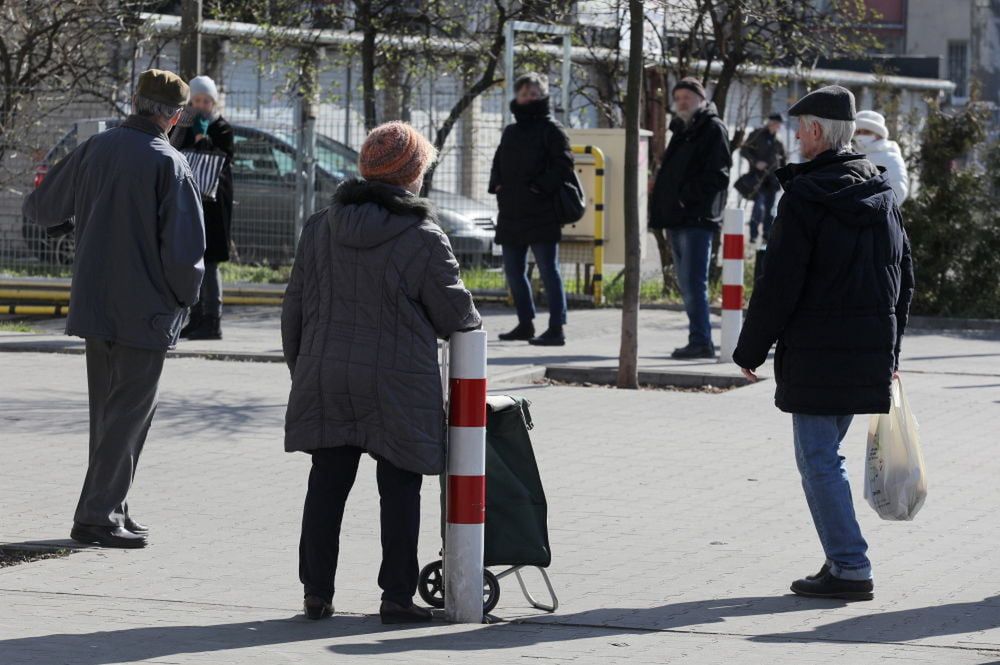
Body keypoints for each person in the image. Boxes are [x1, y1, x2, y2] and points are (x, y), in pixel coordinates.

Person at [282, 121, 481, 623]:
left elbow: (294, 310)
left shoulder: (319, 226)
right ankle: (396, 596)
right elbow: (458, 317)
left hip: (326, 373)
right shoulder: (423, 236)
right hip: (398, 382)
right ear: (410, 175)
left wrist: (304, 369)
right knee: (400, 486)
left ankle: (316, 593)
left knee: (327, 482)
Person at [733, 85, 915, 601]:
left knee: (818, 459)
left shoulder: (805, 197)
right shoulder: (880, 192)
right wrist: (891, 351)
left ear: (815, 130)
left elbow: (779, 283)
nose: (796, 137)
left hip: (816, 353)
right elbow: (903, 277)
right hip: (864, 350)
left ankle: (851, 566)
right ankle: (842, 560)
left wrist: (750, 349)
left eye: (800, 128)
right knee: (825, 455)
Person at [22, 69, 205, 549]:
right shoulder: (170, 164)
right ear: (175, 116)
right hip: (145, 309)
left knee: (108, 414)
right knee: (129, 415)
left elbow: (41, 208)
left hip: (94, 303)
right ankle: (98, 516)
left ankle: (111, 506)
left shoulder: (95, 148)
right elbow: (185, 255)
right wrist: (185, 302)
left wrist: (74, 218)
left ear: (135, 101)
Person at [489, 72, 575, 347]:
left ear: (543, 96)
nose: (529, 98)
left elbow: (564, 165)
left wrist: (539, 188)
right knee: (514, 271)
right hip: (512, 212)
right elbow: (498, 162)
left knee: (549, 270)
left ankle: (556, 327)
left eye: (534, 94)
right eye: (525, 93)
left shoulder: (552, 129)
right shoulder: (511, 131)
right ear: (517, 96)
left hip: (542, 212)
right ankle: (525, 323)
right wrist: (497, 185)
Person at [649, 77, 732, 360]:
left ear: (701, 99)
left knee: (693, 282)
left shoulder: (712, 128)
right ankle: (698, 338)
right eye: (678, 98)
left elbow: (718, 175)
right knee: (686, 282)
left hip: (696, 217)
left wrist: (686, 197)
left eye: (688, 97)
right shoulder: (682, 129)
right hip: (678, 217)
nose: (682, 102)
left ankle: (701, 341)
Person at [174, 75, 234, 341]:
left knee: (210, 262)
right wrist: (189, 130)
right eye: (196, 101)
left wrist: (203, 138)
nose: (201, 106)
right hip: (191, 200)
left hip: (215, 205)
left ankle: (213, 320)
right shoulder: (185, 125)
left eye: (206, 101)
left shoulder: (222, 128)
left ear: (213, 102)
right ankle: (196, 316)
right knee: (193, 259)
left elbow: (223, 159)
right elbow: (174, 150)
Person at [740, 112, 786, 243]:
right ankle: (753, 236)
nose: (777, 126)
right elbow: (744, 150)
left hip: (772, 180)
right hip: (757, 178)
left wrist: (785, 178)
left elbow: (783, 161)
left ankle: (767, 235)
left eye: (779, 124)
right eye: (776, 123)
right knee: (758, 207)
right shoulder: (757, 134)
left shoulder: (778, 141)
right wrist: (755, 162)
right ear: (770, 122)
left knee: (770, 209)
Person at [853, 109, 910, 205]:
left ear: (878, 134)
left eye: (866, 132)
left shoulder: (891, 158)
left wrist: (873, 208)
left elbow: (899, 190)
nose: (861, 135)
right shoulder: (850, 153)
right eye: (858, 132)